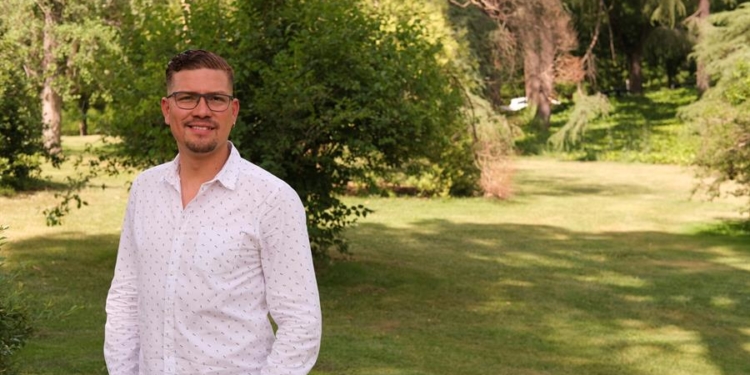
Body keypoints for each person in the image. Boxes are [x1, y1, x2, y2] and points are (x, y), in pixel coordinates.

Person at [104, 49, 322, 375]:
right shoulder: (145, 190)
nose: (202, 111)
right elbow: (126, 298)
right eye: (187, 98)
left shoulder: (272, 199)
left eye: (216, 99)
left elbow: (301, 322)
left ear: (233, 111)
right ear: (167, 109)